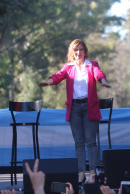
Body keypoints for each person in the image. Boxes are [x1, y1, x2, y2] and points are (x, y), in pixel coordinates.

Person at [38, 39, 111, 183]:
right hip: (75, 108)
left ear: (85, 51)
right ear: (72, 52)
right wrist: (48, 82)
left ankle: (92, 173)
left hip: (89, 107)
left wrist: (102, 81)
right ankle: (80, 172)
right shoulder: (68, 67)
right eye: (76, 50)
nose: (78, 53)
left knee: (90, 141)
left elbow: (98, 73)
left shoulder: (92, 65)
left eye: (81, 50)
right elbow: (58, 76)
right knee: (79, 142)